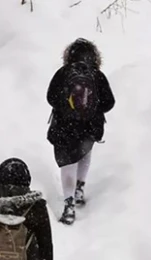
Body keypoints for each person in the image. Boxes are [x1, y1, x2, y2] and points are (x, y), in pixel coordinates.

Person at [46, 37, 115, 225]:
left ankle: (69, 205)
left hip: (64, 128)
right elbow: (109, 102)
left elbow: (51, 97)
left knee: (67, 164)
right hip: (89, 128)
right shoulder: (97, 75)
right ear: (94, 56)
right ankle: (79, 189)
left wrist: (66, 108)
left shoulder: (63, 73)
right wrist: (92, 110)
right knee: (84, 153)